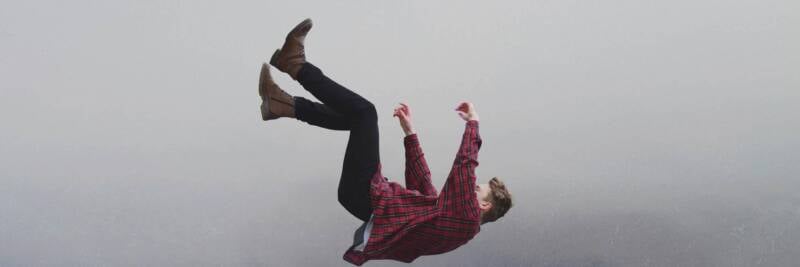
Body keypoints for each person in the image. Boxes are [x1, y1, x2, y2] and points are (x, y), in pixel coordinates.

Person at [258, 18, 513, 265]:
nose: (472, 188)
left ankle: (295, 65)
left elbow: (464, 167)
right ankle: (281, 104)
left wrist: (473, 125)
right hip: (365, 198)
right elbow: (425, 190)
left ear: (484, 205)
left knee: (365, 112)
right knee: (355, 118)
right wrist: (410, 135)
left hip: (367, 197)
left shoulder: (467, 219)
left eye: (478, 190)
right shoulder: (454, 223)